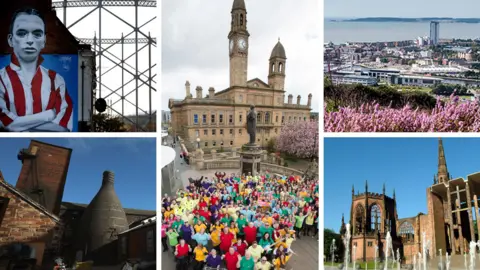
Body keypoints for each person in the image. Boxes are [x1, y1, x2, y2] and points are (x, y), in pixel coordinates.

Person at [0, 8, 74, 132]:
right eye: (22, 33)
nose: (30, 40)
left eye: (37, 34)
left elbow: (63, 127)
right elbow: (6, 123)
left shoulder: (56, 80)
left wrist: (19, 125)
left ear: (44, 41)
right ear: (10, 40)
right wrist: (48, 115)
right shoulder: (1, 79)